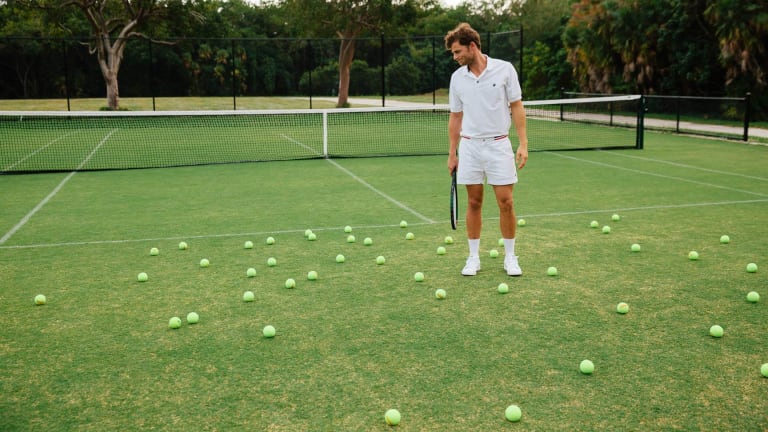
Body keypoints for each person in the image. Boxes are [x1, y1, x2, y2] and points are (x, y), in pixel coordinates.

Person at [444, 22, 529, 277]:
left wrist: (523, 143)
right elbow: (455, 117)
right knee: (473, 201)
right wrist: (452, 152)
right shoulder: (457, 78)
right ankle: (473, 258)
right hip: (470, 147)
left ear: (472, 46)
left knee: (506, 201)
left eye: (458, 52)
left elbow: (516, 106)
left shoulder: (505, 70)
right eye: (453, 54)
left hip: (499, 145)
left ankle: (511, 257)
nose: (455, 57)